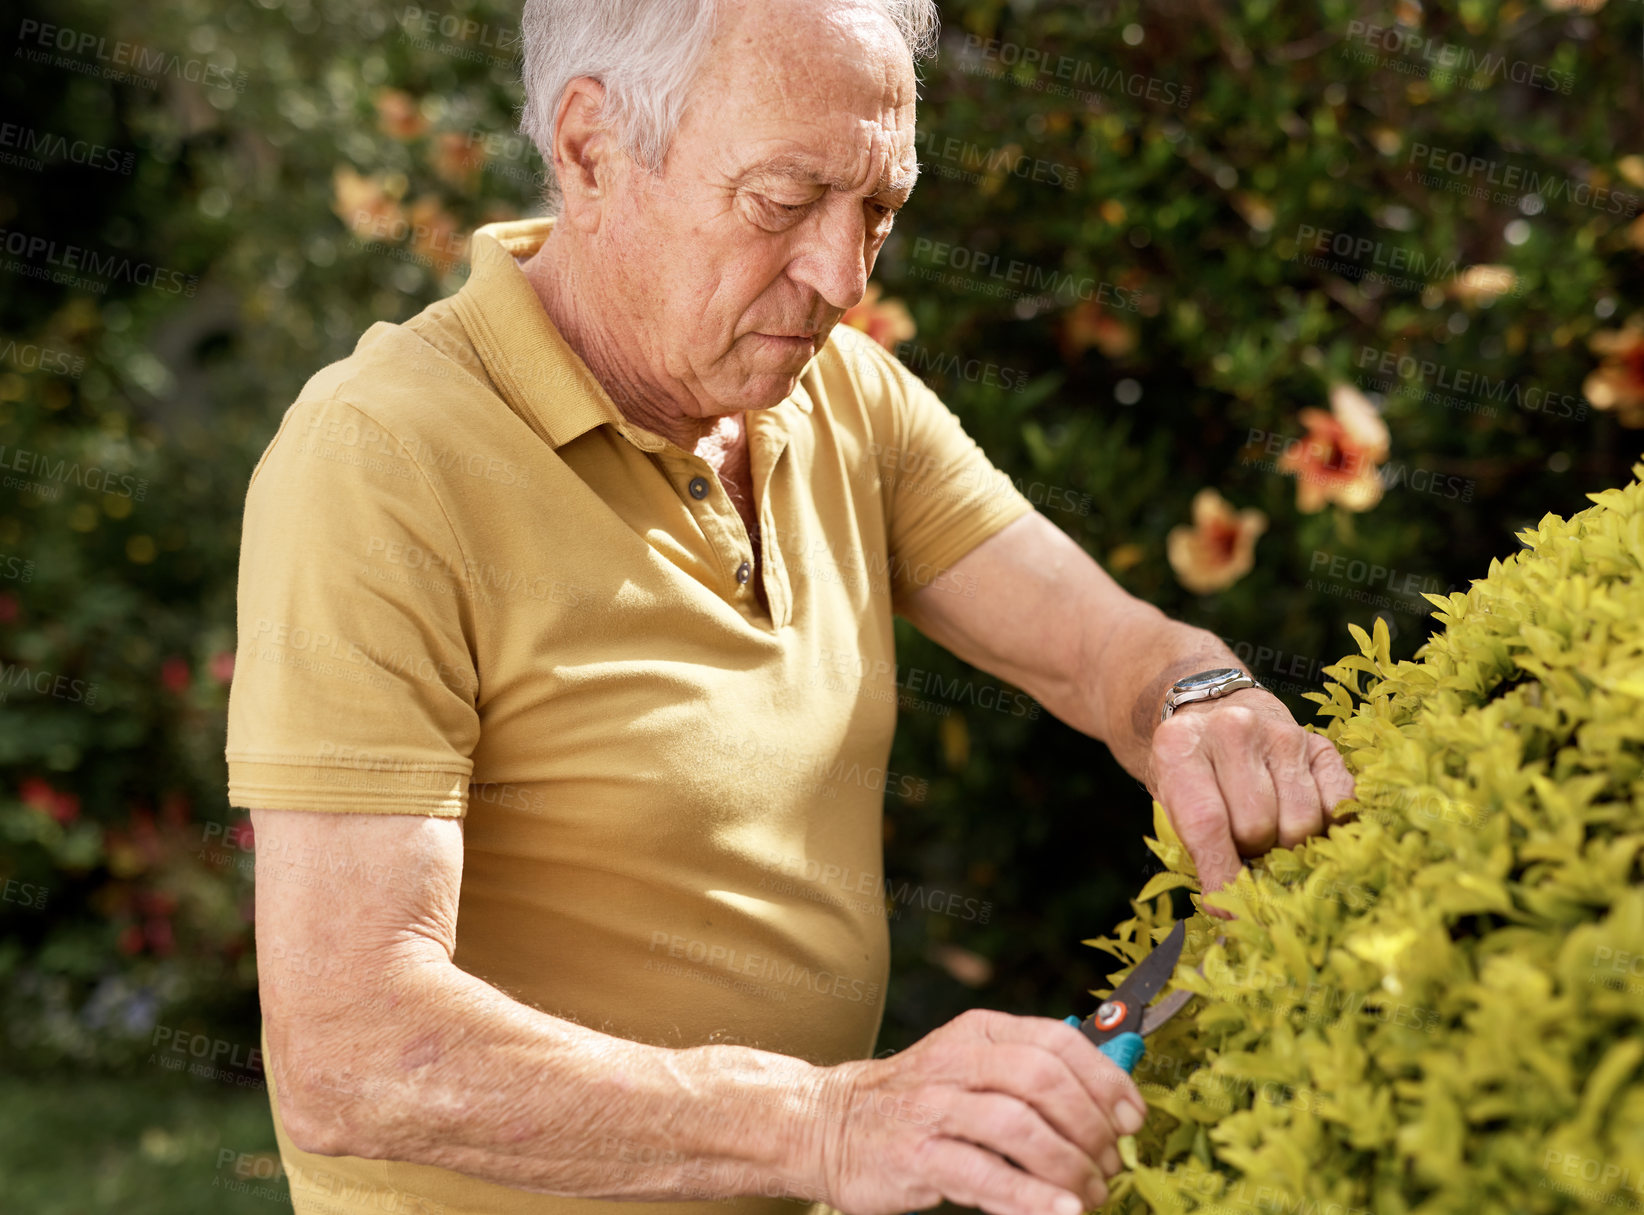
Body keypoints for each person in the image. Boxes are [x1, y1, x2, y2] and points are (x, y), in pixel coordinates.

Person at [226, 2, 1355, 1214]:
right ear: (593, 147)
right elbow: (355, 1056)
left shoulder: (835, 393)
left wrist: (1198, 698)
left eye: (879, 208)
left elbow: (1101, 647)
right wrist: (826, 1122)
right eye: (783, 199)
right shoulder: (381, 458)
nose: (841, 276)